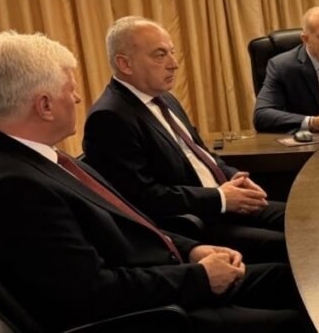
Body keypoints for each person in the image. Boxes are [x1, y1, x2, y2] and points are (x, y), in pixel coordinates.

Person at [0, 31, 312, 332]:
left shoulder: (37, 157)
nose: (77, 99)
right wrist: (200, 276)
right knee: (301, 319)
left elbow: (130, 219)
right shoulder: (10, 187)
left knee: (290, 279)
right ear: (45, 105)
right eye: (71, 90)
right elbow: (92, 293)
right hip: (155, 314)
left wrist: (191, 248)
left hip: (167, 276)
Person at [83, 17, 287, 264]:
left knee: (307, 218)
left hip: (221, 202)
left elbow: (202, 154)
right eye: (160, 55)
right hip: (192, 223)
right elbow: (141, 198)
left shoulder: (165, 98)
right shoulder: (109, 117)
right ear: (125, 64)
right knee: (293, 243)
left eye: (171, 52)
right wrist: (220, 198)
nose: (174, 64)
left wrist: (234, 177)